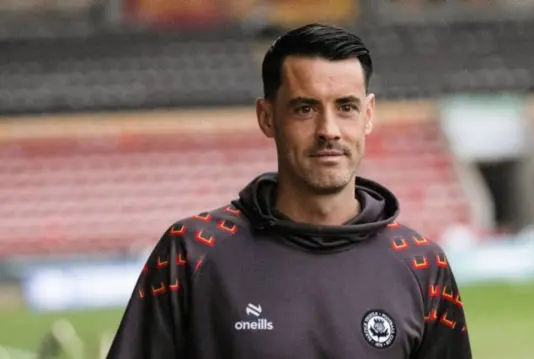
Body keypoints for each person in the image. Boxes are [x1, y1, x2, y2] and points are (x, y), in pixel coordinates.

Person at [106, 23, 472, 359]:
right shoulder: (191, 253)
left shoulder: (422, 266)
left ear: (369, 115)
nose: (328, 129)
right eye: (305, 109)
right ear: (267, 117)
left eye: (346, 107)